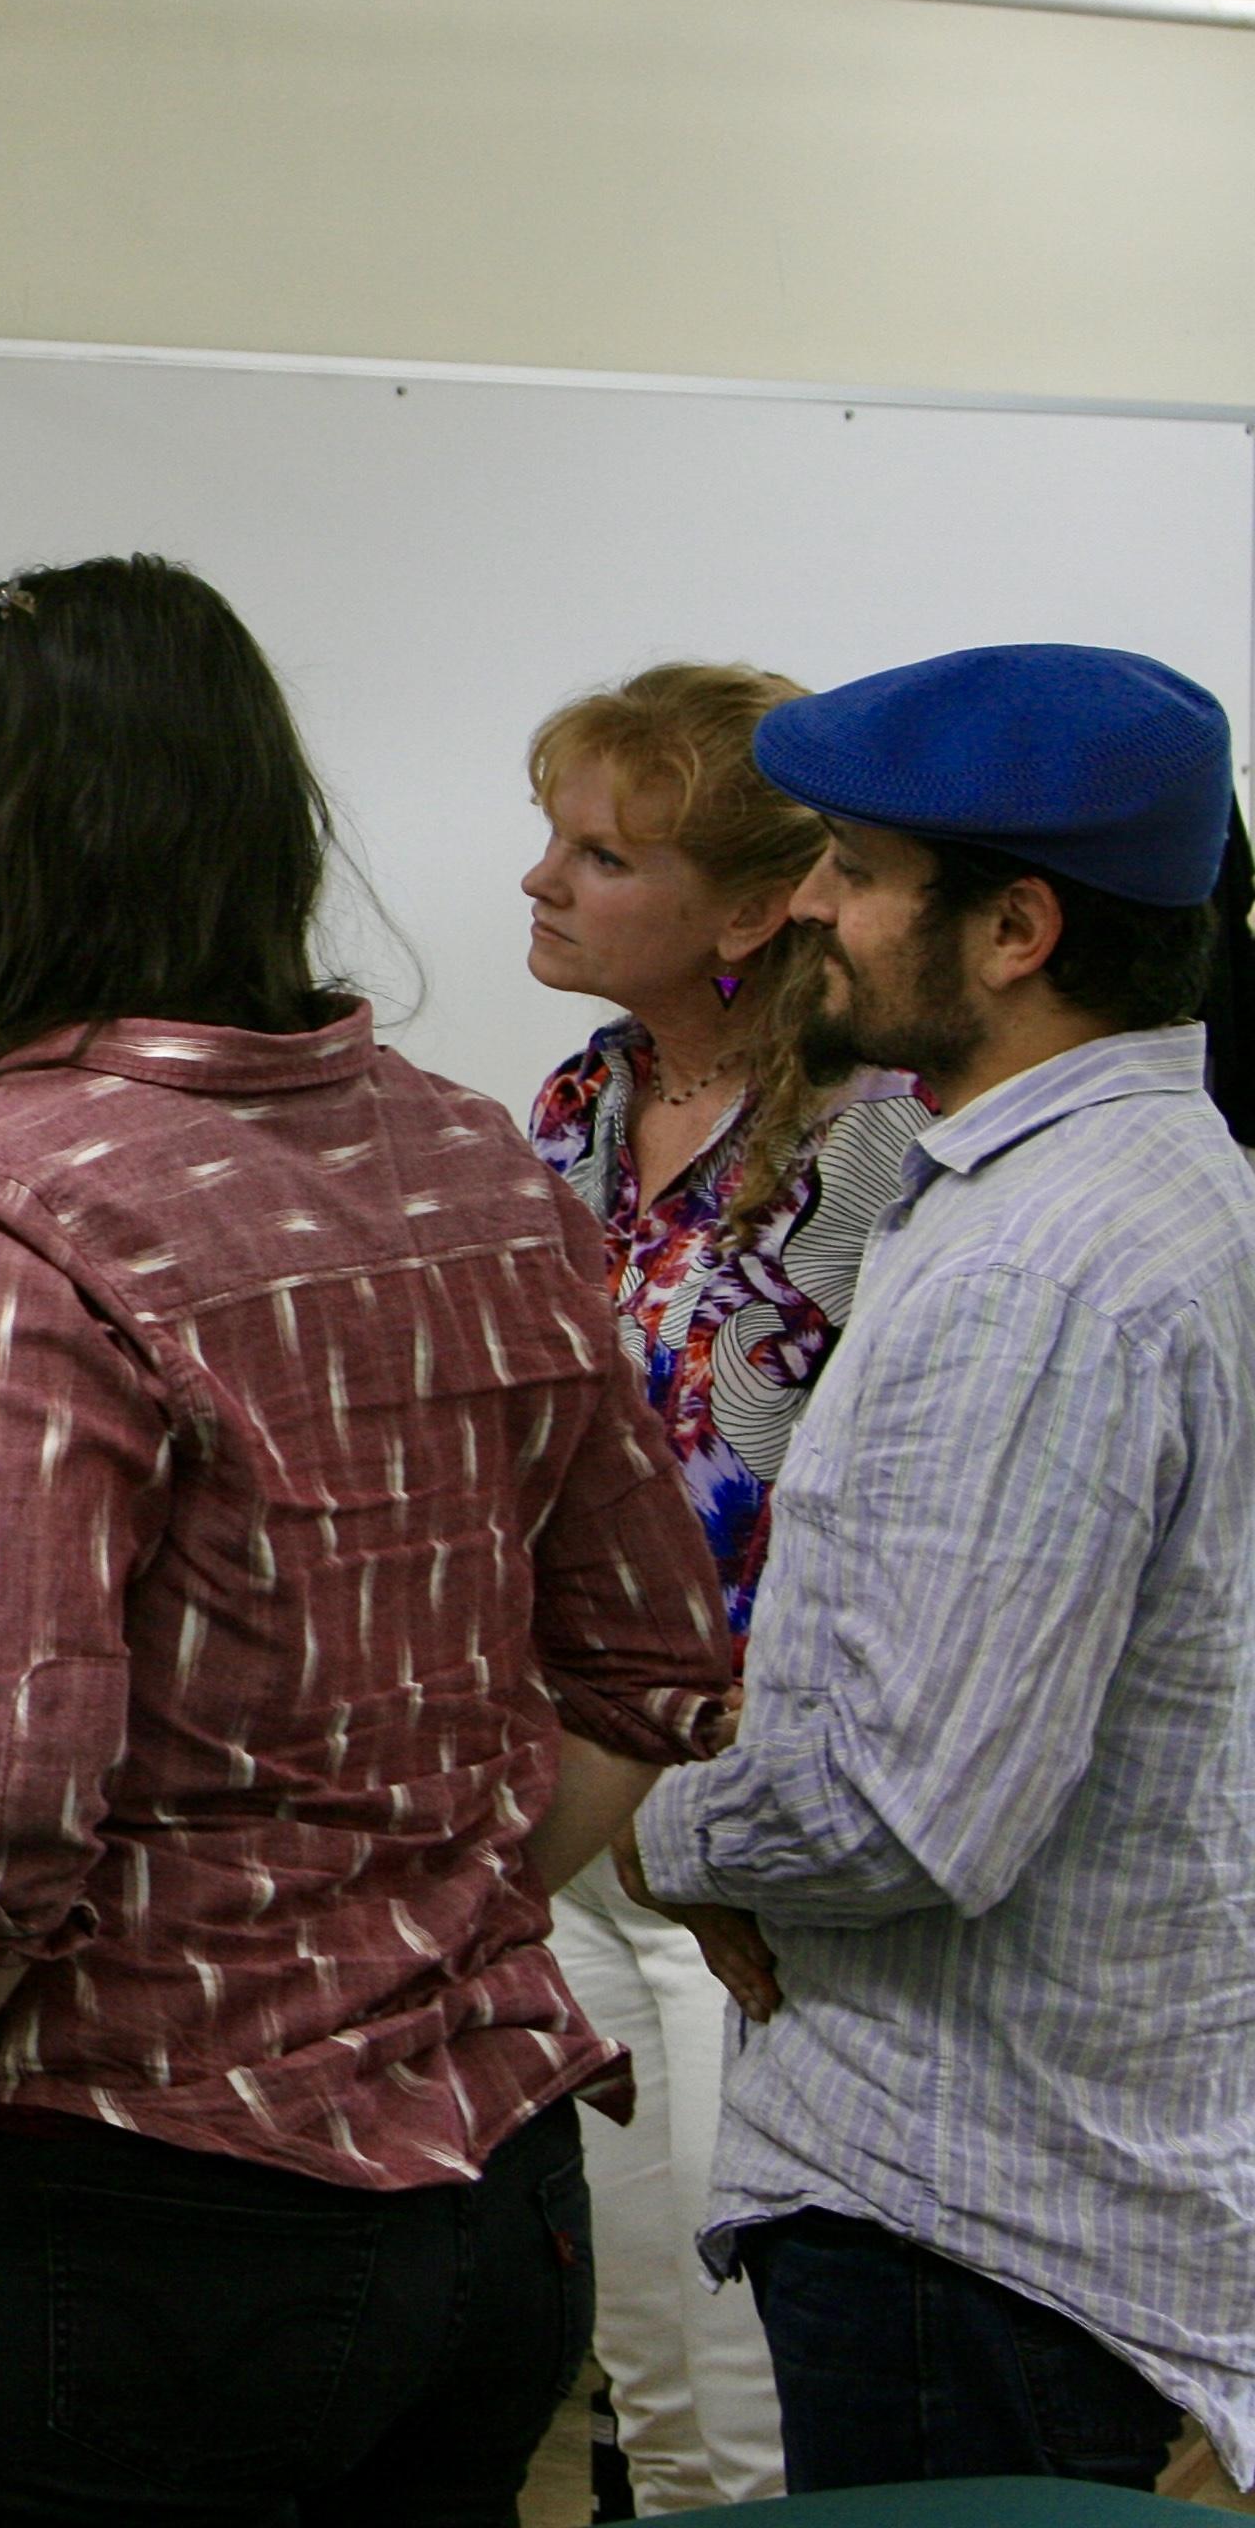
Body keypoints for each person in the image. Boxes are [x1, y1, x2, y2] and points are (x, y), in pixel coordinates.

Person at [0, 555, 737, 2527]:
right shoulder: (470, 1147)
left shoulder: (16, 1181)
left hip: (145, 2221)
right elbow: (655, 1654)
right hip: (493, 2205)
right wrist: (428, 1907)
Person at [614, 643, 1255, 2495]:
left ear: (1016, 929)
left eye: (859, 869)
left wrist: (666, 1832)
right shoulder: (1132, 1182)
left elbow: (907, 1812)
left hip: (978, 2227)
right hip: (1029, 2200)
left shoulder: (1034, 1275)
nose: (808, 902)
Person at [515, 663, 930, 2511]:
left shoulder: (882, 1144)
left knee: (755, 2389)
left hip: (757, 1825)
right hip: (560, 1781)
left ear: (759, 909)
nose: (540, 880)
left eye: (601, 854)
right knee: (641, 2385)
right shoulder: (572, 1107)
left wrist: (730, 1795)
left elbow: (898, 1505)